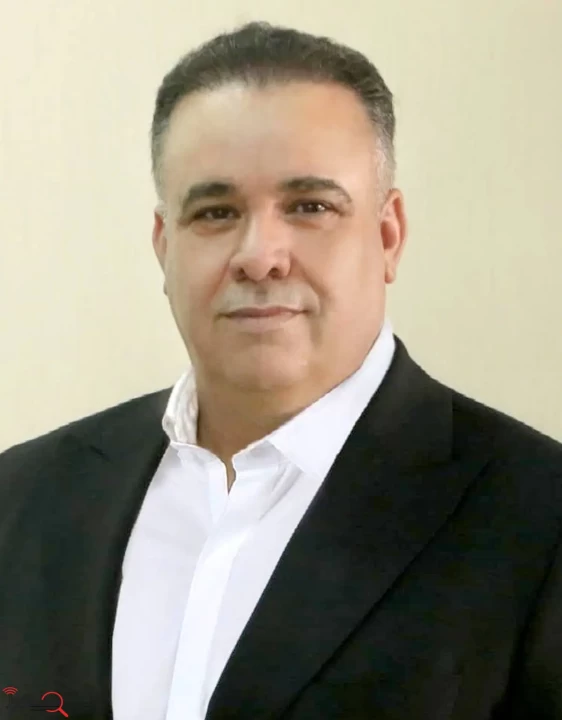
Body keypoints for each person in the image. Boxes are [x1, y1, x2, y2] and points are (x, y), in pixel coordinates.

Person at [1, 21, 561, 720]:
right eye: (216, 211)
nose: (260, 255)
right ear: (164, 246)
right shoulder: (21, 498)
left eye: (310, 207)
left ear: (388, 235)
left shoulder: (538, 520)